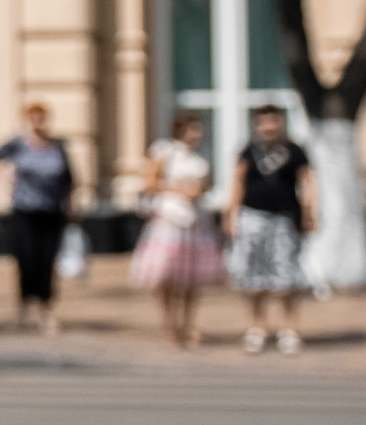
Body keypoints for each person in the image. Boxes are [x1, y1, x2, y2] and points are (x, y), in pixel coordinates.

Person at [224, 103, 317, 355]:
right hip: (252, 217)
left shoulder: (294, 151)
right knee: (254, 275)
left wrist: (310, 212)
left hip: (284, 218)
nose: (269, 126)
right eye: (263, 121)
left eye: (273, 121)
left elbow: (307, 182)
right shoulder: (249, 151)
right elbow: (237, 183)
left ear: (281, 123)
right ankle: (256, 327)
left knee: (286, 276)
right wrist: (230, 216)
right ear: (256, 124)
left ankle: (289, 328)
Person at [130, 109, 223, 349]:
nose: (197, 134)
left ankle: (188, 325)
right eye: (193, 129)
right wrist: (180, 189)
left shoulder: (202, 156)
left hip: (195, 221)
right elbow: (150, 183)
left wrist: (198, 191)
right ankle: (169, 324)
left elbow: (208, 184)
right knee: (167, 276)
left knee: (191, 279)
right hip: (169, 217)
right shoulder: (165, 151)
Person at [0, 102, 76, 334]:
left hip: (52, 213)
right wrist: (5, 176)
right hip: (24, 213)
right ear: (28, 120)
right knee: (27, 259)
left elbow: (69, 180)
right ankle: (25, 304)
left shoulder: (58, 146)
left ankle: (46, 308)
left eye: (42, 117)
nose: (38, 121)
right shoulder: (18, 144)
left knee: (47, 261)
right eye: (34, 117)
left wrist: (71, 209)